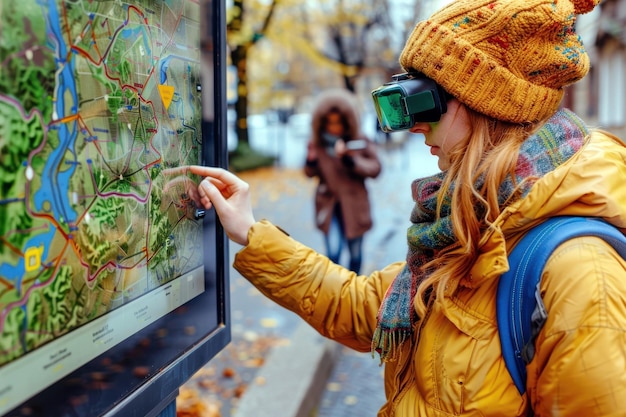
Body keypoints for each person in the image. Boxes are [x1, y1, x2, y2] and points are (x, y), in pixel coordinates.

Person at [186, 0, 626, 414]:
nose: (414, 126)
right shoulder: (473, 221)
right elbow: (362, 306)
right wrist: (248, 230)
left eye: (426, 100)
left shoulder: (582, 276)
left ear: (486, 105)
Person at [303, 88, 382, 274]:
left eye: (338, 122)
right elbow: (309, 172)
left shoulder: (359, 141)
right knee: (333, 252)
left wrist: (350, 160)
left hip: (354, 206)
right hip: (329, 205)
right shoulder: (318, 144)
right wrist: (311, 159)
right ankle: (336, 292)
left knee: (355, 254)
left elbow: (375, 168)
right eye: (330, 123)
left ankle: (354, 291)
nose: (334, 127)